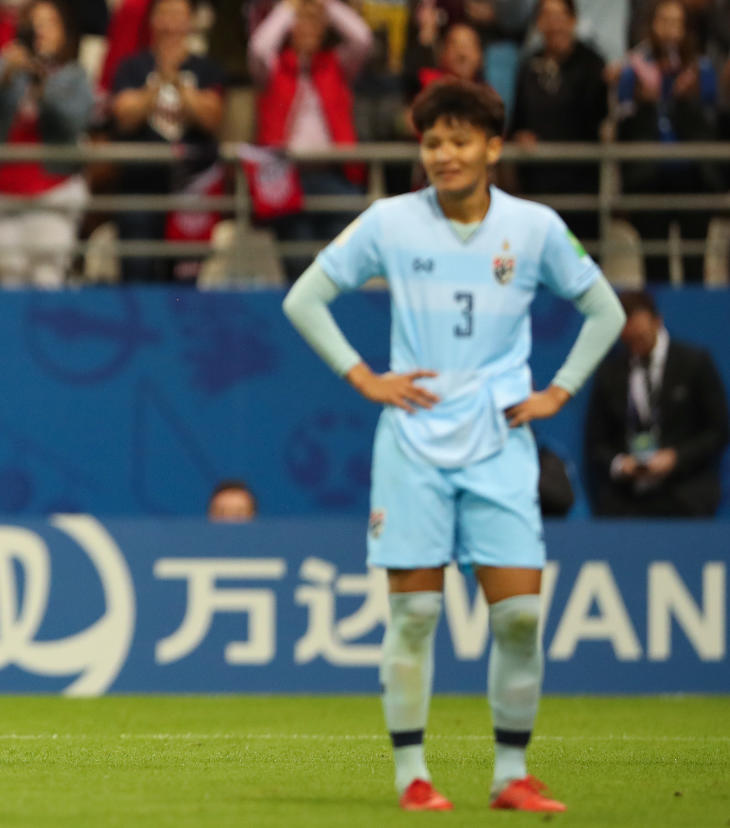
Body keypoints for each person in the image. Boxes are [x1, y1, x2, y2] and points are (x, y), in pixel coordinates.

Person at [282, 78, 626, 812]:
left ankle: (510, 776)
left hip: (501, 442)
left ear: (493, 147)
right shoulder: (389, 221)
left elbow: (605, 309)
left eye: (461, 140)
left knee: (522, 618)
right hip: (412, 444)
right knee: (413, 617)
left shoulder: (533, 227)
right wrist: (364, 377)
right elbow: (303, 297)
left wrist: (558, 392)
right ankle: (413, 778)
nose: (445, 155)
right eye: (433, 142)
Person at [0, 0, 94, 287]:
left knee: (47, 280)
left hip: (53, 194)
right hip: (2, 192)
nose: (42, 32)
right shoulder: (7, 65)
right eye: (35, 24)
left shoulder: (73, 75)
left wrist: (42, 83)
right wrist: (4, 70)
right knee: (9, 278)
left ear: (64, 31)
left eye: (50, 23)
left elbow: (74, 122)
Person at [248, 0, 373, 279]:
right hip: (287, 181)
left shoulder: (337, 65)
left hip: (334, 176)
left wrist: (324, 4)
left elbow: (362, 37)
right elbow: (258, 47)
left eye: (314, 22)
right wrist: (289, 7)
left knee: (343, 264)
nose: (307, 28)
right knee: (298, 267)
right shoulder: (273, 67)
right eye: (301, 22)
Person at [584, 290, 729, 517]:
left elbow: (717, 430)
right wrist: (622, 465)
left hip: (686, 493)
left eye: (641, 337)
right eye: (628, 340)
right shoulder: (610, 372)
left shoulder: (694, 363)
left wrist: (676, 458)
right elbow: (596, 441)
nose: (635, 346)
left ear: (657, 321)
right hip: (625, 500)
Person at [110, 0, 224, 282]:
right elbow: (125, 115)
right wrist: (159, 79)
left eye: (178, 16)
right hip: (140, 188)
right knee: (138, 274)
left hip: (192, 192)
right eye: (165, 15)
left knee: (185, 284)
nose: (171, 24)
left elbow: (211, 117)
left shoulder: (206, 69)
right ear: (152, 21)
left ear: (190, 23)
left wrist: (180, 84)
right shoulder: (131, 68)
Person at [616, 0, 721, 284]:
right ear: (651, 25)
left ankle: (694, 325)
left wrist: (689, 100)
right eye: (663, 21)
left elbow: (712, 122)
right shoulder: (634, 68)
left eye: (677, 22)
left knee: (694, 265)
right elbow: (622, 122)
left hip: (694, 178)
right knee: (655, 266)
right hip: (649, 178)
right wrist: (644, 103)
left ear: (687, 29)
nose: (670, 30)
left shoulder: (702, 69)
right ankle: (656, 320)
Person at [510, 0, 607, 243]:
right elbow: (516, 121)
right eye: (547, 17)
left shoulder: (592, 64)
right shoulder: (528, 67)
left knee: (581, 259)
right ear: (538, 24)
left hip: (580, 185)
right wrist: (520, 135)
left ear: (573, 20)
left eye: (560, 16)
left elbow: (597, 117)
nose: (554, 25)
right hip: (538, 184)